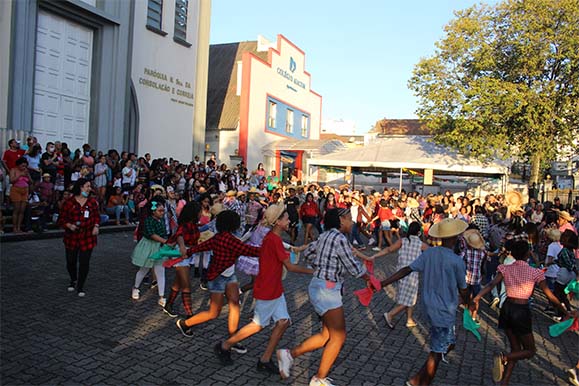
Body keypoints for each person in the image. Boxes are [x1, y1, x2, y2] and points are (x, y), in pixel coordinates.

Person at [276, 208, 371, 386]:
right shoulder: (339, 238)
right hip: (328, 290)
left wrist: (321, 266)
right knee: (339, 336)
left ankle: (289, 355)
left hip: (320, 286)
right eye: (350, 218)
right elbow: (353, 267)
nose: (352, 222)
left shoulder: (325, 236)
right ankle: (318, 379)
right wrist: (369, 278)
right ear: (341, 220)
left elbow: (309, 252)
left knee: (326, 335)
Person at [214, 205, 313, 374]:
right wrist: (315, 271)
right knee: (257, 325)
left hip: (273, 287)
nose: (289, 221)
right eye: (287, 219)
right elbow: (290, 267)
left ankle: (265, 360)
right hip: (268, 288)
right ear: (278, 222)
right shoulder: (273, 239)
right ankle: (225, 346)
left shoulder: (272, 236)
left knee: (283, 322)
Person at [380, 218, 470, 386]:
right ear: (455, 238)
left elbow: (407, 269)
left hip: (428, 307)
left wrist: (384, 282)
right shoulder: (457, 261)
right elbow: (463, 288)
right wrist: (468, 302)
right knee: (437, 351)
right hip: (444, 310)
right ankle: (418, 382)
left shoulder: (429, 253)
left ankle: (416, 379)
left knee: (447, 343)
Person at [471, 240, 572, 385]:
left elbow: (492, 284)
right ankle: (504, 357)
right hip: (521, 310)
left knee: (515, 349)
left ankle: (504, 381)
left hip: (507, 307)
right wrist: (565, 311)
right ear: (527, 254)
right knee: (530, 350)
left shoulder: (505, 268)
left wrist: (477, 297)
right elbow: (550, 296)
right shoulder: (534, 272)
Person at [173, 210, 260, 356]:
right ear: (233, 224)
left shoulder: (220, 237)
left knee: (235, 303)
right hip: (217, 277)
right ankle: (184, 323)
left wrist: (188, 252)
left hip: (229, 274)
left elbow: (202, 246)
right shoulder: (228, 240)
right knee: (214, 313)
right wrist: (271, 249)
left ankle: (233, 339)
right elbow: (249, 250)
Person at [371, 221, 428, 329]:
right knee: (410, 299)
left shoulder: (402, 241)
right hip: (411, 274)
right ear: (418, 232)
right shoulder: (422, 245)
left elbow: (388, 249)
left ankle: (409, 319)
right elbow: (432, 254)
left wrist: (375, 256)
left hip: (400, 273)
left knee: (408, 296)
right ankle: (390, 314)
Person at [57, 178, 100, 296]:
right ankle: (73, 279)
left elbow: (97, 216)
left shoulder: (92, 202)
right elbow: (61, 219)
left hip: (87, 237)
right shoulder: (69, 202)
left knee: (84, 262)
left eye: (89, 186)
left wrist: (96, 226)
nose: (89, 188)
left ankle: (80, 286)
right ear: (80, 187)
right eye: (87, 186)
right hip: (72, 237)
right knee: (71, 261)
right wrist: (68, 225)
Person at [163, 201, 201, 318]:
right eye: (199, 212)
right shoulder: (186, 225)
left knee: (178, 282)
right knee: (186, 285)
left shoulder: (192, 224)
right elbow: (179, 235)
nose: (201, 214)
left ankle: (168, 305)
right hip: (181, 254)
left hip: (188, 254)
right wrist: (183, 247)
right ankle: (189, 314)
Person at [131, 198, 169, 307]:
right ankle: (136, 287)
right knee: (144, 269)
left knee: (160, 271)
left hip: (159, 247)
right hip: (148, 246)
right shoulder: (148, 220)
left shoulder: (160, 220)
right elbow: (152, 234)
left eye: (163, 211)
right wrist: (165, 241)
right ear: (153, 211)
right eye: (160, 211)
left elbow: (162, 233)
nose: (162, 213)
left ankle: (161, 296)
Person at [9, 157, 31, 233]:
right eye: (22, 166)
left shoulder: (26, 171)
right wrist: (20, 175)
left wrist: (27, 175)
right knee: (16, 210)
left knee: (22, 210)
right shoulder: (13, 170)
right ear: (18, 165)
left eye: (25, 166)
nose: (24, 167)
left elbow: (30, 181)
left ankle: (19, 227)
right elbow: (11, 181)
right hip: (16, 189)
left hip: (25, 190)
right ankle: (14, 227)